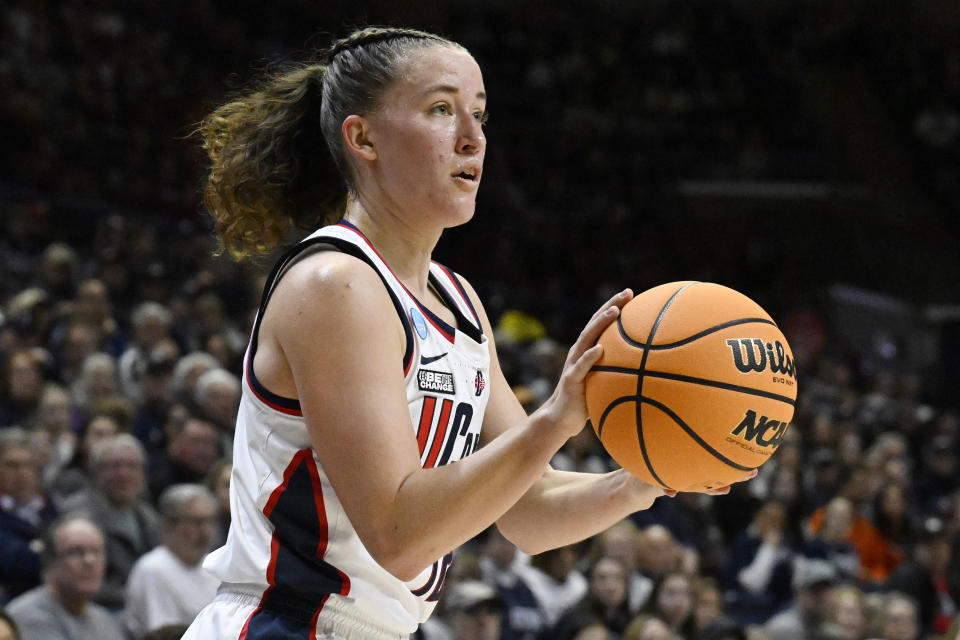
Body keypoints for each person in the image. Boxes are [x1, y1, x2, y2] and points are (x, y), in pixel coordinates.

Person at [180, 26, 743, 640]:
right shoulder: (334, 285)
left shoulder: (458, 300)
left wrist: (650, 478)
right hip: (288, 624)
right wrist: (555, 418)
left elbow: (529, 510)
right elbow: (398, 535)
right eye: (441, 110)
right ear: (362, 137)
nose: (473, 137)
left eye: (478, 113)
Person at [59, 433, 161, 609]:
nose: (123, 473)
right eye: (114, 466)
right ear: (96, 471)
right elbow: (79, 579)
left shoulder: (147, 514)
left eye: (132, 466)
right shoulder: (79, 516)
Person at [5, 516, 124, 640]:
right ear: (50, 561)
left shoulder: (104, 619)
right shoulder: (29, 616)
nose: (89, 561)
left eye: (96, 551)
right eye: (76, 552)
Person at [124, 484, 219, 639]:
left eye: (210, 521)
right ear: (170, 525)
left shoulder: (215, 567)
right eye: (197, 522)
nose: (206, 531)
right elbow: (163, 634)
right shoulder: (153, 569)